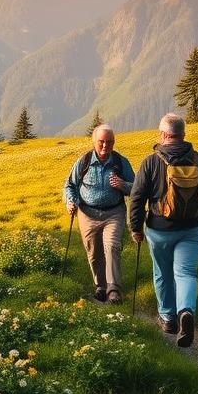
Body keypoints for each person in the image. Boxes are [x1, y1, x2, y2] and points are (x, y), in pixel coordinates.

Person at [130, 113, 198, 348]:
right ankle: (187, 312)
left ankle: (168, 319)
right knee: (186, 273)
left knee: (162, 273)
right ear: (183, 134)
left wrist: (135, 228)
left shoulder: (151, 162)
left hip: (159, 230)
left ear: (163, 135)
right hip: (193, 229)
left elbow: (136, 197)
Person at [63, 124, 135, 304]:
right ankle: (100, 286)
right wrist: (71, 201)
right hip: (87, 213)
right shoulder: (84, 161)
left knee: (112, 246)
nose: (105, 146)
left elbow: (136, 188)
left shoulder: (120, 162)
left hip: (114, 212)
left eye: (110, 142)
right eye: (101, 142)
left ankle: (113, 289)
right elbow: (70, 185)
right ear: (94, 142)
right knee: (93, 252)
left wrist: (123, 185)